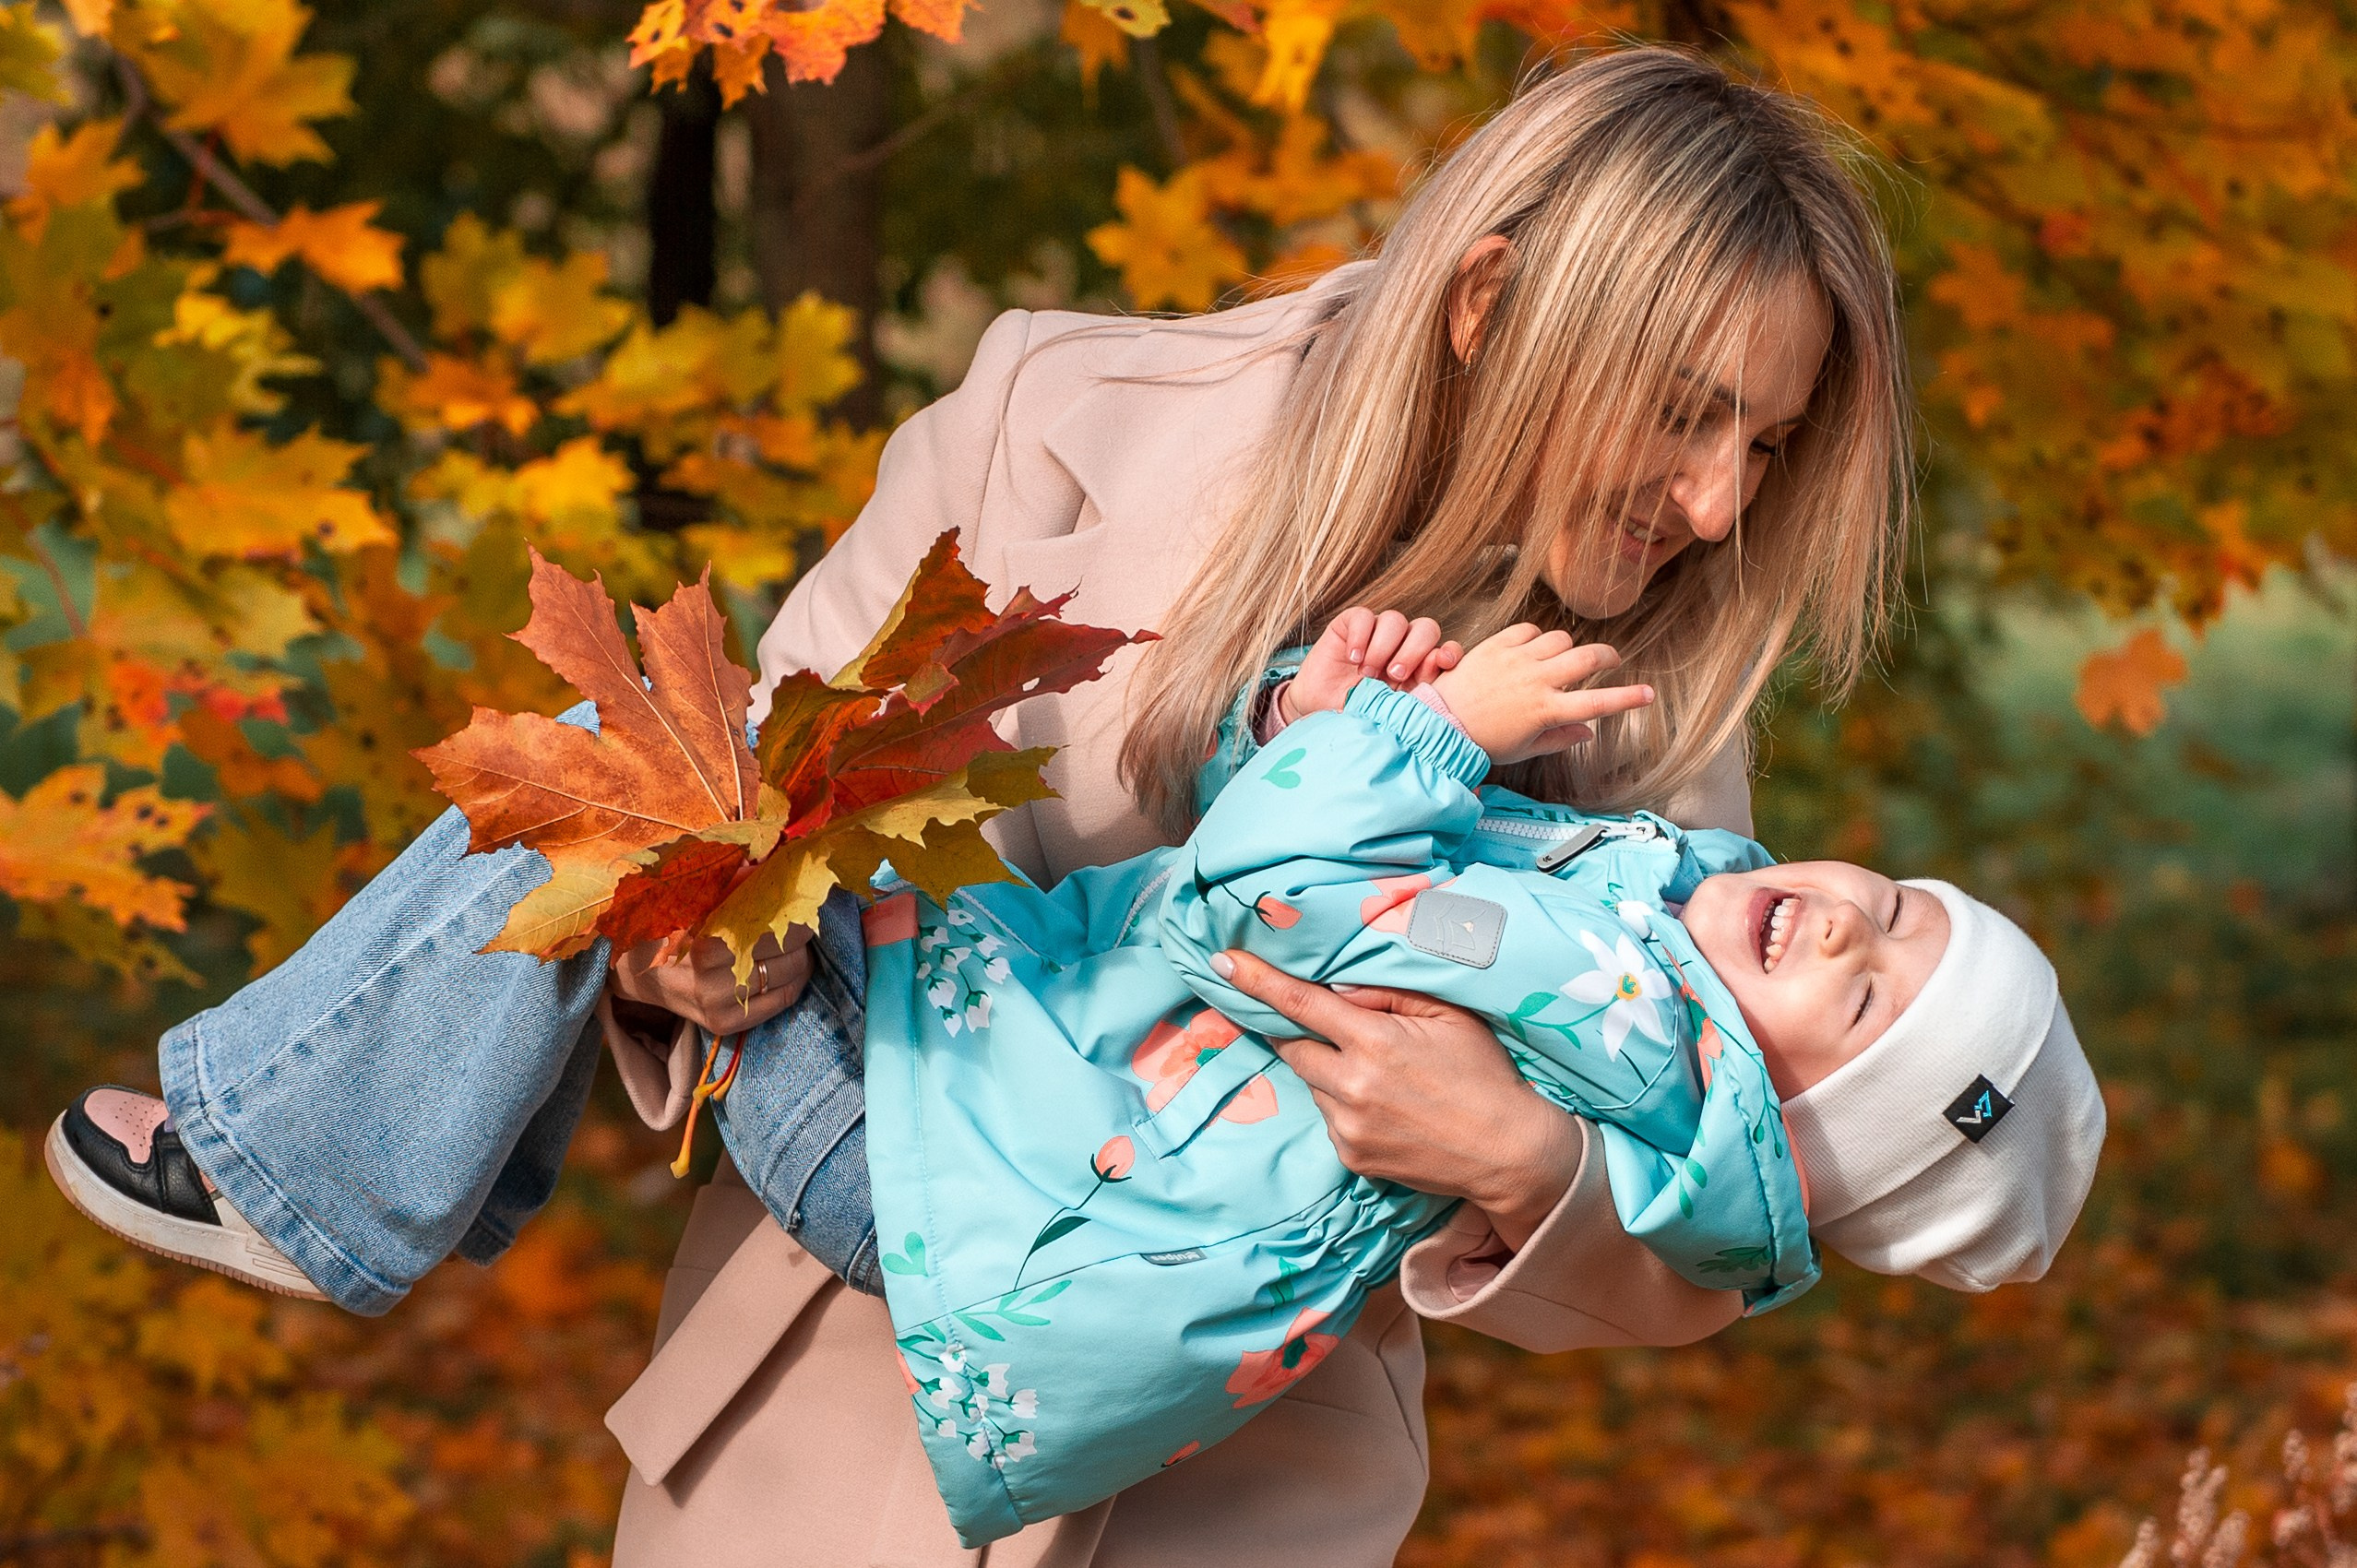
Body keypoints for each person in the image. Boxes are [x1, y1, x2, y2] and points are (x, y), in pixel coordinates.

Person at [44, 47, 1925, 1565]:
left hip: (1232, 1482)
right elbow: (761, 795)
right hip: (824, 1407)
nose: (1718, 505)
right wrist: (690, 964)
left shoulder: (1652, 695)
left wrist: (1519, 1163)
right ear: (1494, 305)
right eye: (1685, 415)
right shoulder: (1064, 414)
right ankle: (302, 1160)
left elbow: (1709, 1207)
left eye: (1764, 442)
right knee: (624, 776)